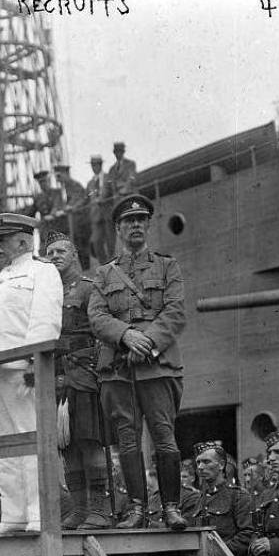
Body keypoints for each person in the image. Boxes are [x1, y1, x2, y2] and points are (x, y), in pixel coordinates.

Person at [88, 193, 187, 530]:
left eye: (140, 220)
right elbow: (98, 317)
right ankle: (136, 509)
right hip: (118, 368)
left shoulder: (167, 266)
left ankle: (171, 507)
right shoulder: (104, 274)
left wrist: (146, 343)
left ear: (147, 225)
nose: (135, 226)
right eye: (128, 221)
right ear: (117, 229)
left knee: (164, 436)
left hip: (157, 367)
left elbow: (175, 312)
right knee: (127, 440)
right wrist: (127, 335)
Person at [0, 213, 63, 533]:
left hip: (21, 368)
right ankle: (13, 514)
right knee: (4, 444)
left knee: (30, 438)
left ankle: (38, 514)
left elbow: (45, 320)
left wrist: (33, 363)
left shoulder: (43, 271)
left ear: (24, 240)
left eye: (3, 239)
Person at [44, 231, 113, 530]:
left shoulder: (88, 288)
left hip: (84, 375)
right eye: (50, 253)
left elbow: (101, 329)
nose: (55, 256)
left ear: (74, 255)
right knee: (66, 444)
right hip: (54, 377)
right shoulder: (46, 292)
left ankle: (99, 510)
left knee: (89, 441)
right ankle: (79, 509)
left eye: (61, 251)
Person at [182, 442, 254, 556]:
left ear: (221, 465)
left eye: (206, 462)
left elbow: (247, 534)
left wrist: (219, 553)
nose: (200, 467)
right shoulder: (200, 498)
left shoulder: (238, 496)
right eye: (198, 462)